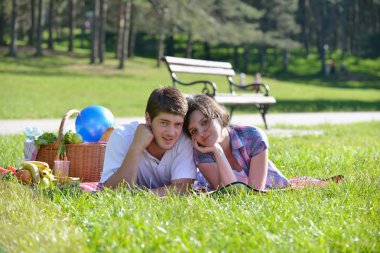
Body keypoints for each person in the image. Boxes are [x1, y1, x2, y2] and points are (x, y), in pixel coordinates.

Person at [100, 86, 197, 196]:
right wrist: (137, 148)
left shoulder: (184, 140)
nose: (171, 132)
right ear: (148, 118)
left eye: (178, 124)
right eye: (164, 123)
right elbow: (110, 191)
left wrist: (141, 196)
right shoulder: (122, 136)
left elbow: (182, 188)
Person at [183, 94, 289, 191]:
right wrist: (217, 151)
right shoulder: (201, 151)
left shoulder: (253, 137)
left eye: (204, 122)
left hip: (271, 186)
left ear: (218, 116)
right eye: (194, 131)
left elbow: (255, 192)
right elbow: (229, 193)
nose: (201, 133)